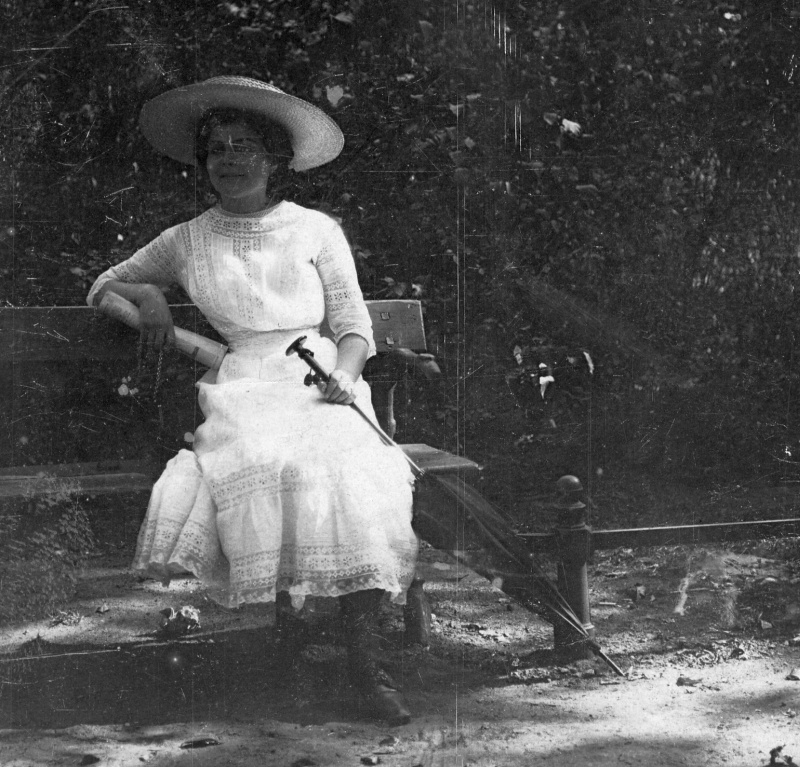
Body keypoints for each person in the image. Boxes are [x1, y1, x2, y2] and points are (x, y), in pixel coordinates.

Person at [87, 76, 417, 726]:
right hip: (243, 386)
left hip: (319, 378)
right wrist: (155, 304)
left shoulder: (316, 229)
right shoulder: (186, 238)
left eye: (246, 146)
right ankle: (288, 655)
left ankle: (364, 661)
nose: (231, 159)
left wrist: (346, 377)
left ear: (275, 158)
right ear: (203, 163)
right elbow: (105, 286)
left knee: (353, 471)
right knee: (269, 467)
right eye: (218, 149)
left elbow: (354, 328)